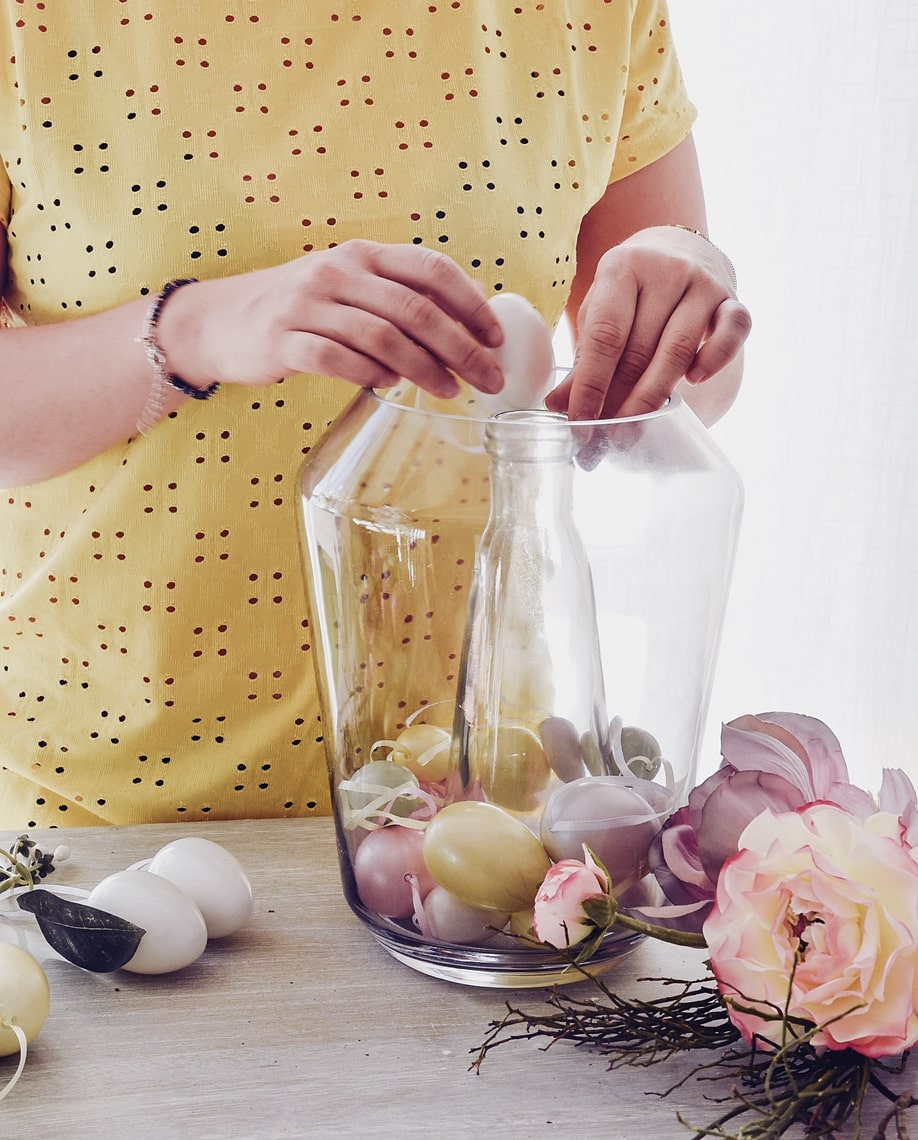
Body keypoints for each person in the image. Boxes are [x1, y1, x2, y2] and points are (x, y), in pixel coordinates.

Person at [0, 3, 750, 829]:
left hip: (478, 793)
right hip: (94, 806)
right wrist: (193, 329)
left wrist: (690, 290)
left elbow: (682, 395)